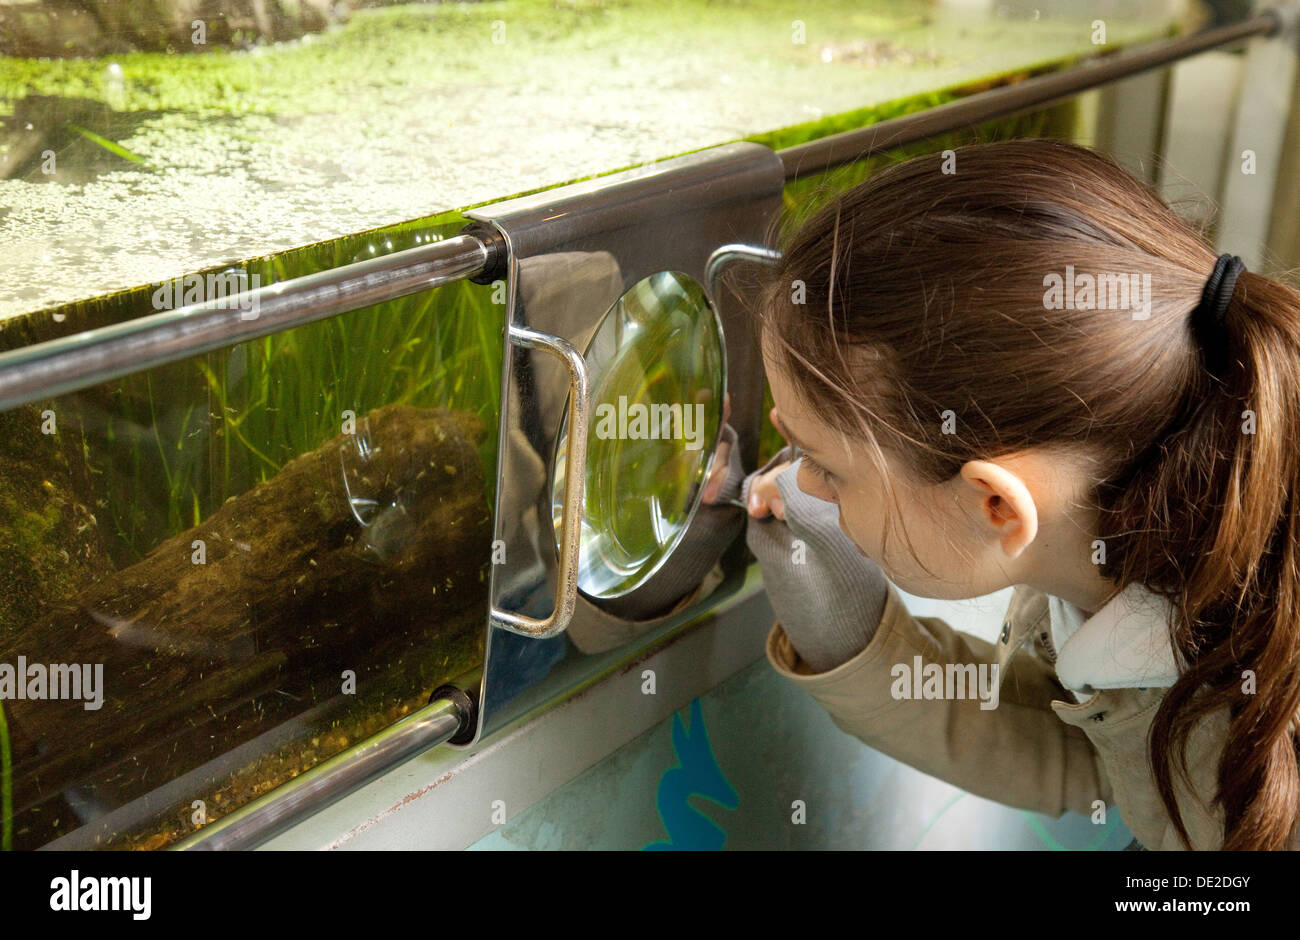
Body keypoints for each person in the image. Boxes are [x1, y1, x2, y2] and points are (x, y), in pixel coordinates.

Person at [710, 138, 1300, 851]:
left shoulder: (1255, 740)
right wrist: (850, 638)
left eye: (825, 466)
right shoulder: (1110, 541)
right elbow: (1112, 756)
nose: (800, 483)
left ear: (997, 506)